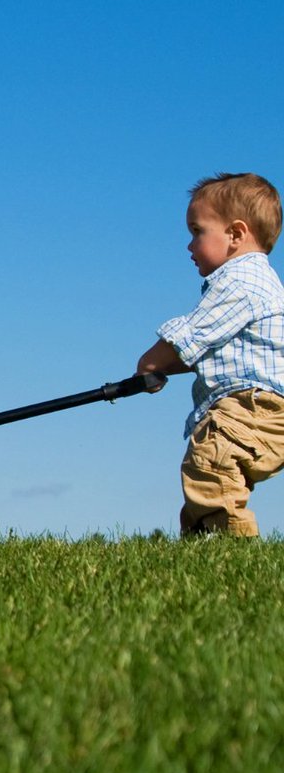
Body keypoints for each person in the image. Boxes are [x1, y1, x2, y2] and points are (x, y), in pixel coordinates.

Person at [136, 172, 284, 537]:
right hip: (260, 405)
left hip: (253, 407)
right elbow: (208, 348)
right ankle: (201, 550)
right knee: (205, 481)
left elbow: (192, 335)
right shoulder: (257, 283)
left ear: (235, 234)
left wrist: (150, 364)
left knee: (210, 467)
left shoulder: (240, 282)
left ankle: (232, 555)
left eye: (197, 231)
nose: (189, 245)